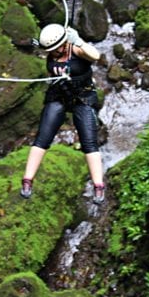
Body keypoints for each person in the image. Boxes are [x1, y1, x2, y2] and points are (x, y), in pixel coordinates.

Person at [21, 23, 106, 204]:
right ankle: (27, 180)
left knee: (89, 142)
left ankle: (98, 185)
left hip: (83, 97)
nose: (50, 53)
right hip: (59, 95)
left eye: (54, 49)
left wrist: (79, 41)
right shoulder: (51, 53)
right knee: (42, 138)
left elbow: (96, 56)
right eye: (48, 50)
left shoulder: (76, 49)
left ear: (63, 43)